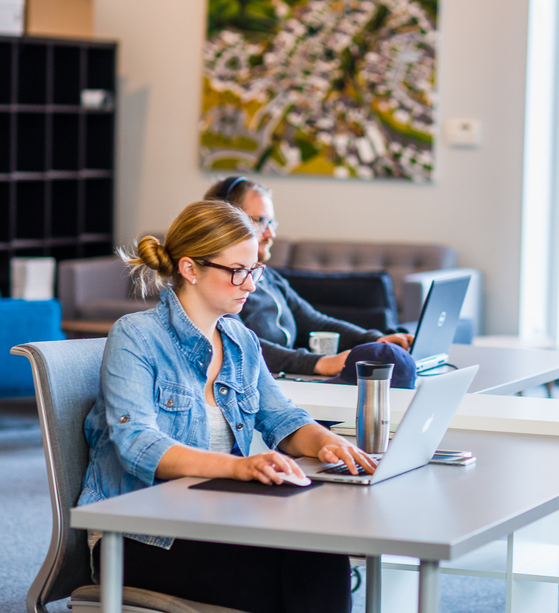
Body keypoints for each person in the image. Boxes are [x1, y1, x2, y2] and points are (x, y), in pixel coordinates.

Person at [78, 200, 377, 612]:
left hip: (216, 516)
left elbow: (284, 419)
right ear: (190, 268)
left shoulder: (240, 339)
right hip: (139, 535)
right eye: (238, 271)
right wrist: (239, 467)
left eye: (254, 270)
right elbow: (137, 445)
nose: (250, 286)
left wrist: (328, 443)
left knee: (322, 551)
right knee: (293, 575)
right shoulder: (136, 336)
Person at [204, 177, 414, 377]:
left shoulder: (269, 278)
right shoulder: (218, 282)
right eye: (261, 221)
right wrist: (318, 363)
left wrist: (375, 340)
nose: (271, 234)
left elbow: (315, 323)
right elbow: (237, 344)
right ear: (225, 221)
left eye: (272, 224)